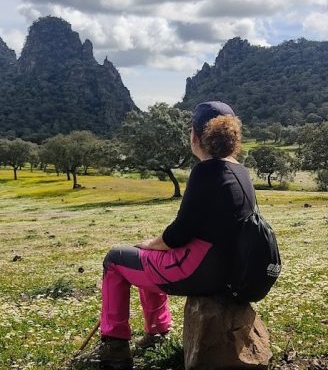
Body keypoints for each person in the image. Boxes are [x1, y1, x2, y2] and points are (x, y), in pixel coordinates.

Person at [72, 101, 256, 370]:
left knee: (115, 259)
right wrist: (156, 246)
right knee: (152, 254)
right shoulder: (241, 172)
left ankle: (114, 347)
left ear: (195, 136)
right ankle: (156, 333)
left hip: (199, 269)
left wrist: (152, 243)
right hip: (229, 271)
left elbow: (180, 233)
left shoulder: (206, 171)